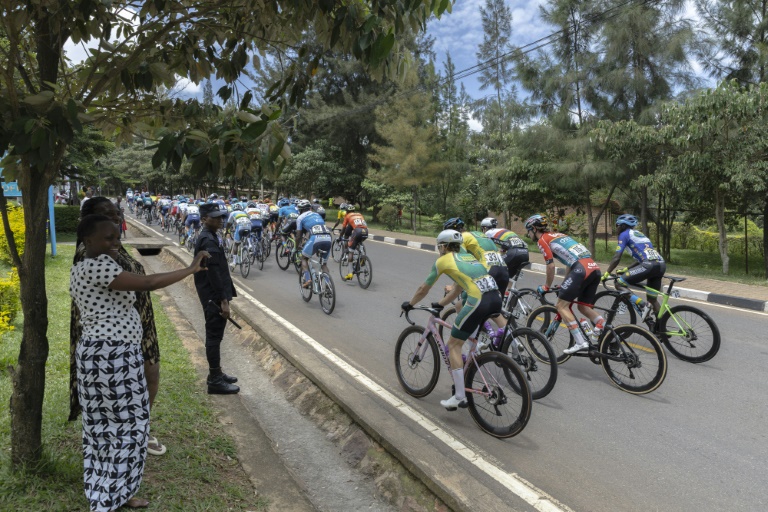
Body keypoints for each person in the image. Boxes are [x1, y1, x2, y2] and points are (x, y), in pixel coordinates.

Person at [71, 213, 208, 512]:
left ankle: (117, 493)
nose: (115, 241)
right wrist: (189, 269)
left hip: (109, 355)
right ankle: (109, 498)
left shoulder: (86, 266)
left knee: (107, 428)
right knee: (128, 427)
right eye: (108, 237)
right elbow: (149, 282)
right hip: (111, 358)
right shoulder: (98, 266)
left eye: (117, 235)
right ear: (88, 240)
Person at [69, 197, 168, 459]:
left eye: (116, 215)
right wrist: (191, 269)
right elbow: (145, 283)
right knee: (125, 389)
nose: (114, 220)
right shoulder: (90, 254)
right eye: (106, 215)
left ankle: (137, 431)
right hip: (112, 335)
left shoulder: (112, 246)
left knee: (150, 375)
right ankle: (128, 437)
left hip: (137, 323)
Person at [402, 229, 502, 410]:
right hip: (495, 299)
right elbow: (457, 288)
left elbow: (423, 288)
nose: (439, 249)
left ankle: (459, 396)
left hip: (478, 301)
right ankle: (472, 360)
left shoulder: (443, 261)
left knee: (453, 345)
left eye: (439, 246)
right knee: (468, 338)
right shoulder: (467, 257)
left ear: (445, 246)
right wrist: (441, 303)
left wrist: (410, 304)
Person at [525, 214, 603, 354]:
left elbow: (550, 266)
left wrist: (546, 286)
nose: (528, 233)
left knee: (561, 306)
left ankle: (580, 342)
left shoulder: (542, 240)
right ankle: (601, 323)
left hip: (580, 270)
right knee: (582, 307)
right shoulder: (559, 235)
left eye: (529, 230)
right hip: (594, 268)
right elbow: (570, 262)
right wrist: (566, 282)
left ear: (535, 229)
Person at [194, 202, 240, 394]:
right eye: (215, 217)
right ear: (204, 219)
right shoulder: (209, 240)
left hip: (214, 294)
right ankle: (214, 379)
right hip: (214, 296)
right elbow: (214, 273)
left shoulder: (211, 235)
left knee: (216, 335)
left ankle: (217, 372)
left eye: (221, 216)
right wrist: (223, 301)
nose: (220, 220)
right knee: (214, 336)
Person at [602, 214, 666, 321]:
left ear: (622, 226)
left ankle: (642, 304)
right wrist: (627, 269)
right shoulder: (639, 234)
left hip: (648, 265)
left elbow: (617, 257)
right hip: (660, 265)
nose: (616, 228)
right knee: (652, 299)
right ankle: (660, 328)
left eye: (617, 225)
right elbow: (642, 257)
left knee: (618, 284)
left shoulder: (624, 234)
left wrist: (607, 273)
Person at [482, 217, 530, 291]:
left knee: (495, 272)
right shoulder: (502, 231)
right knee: (507, 277)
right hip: (525, 253)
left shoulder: (488, 233)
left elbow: (486, 251)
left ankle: (496, 294)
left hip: (514, 252)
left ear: (485, 228)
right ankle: (513, 296)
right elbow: (502, 251)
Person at [295, 199, 332, 288]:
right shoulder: (317, 214)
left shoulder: (300, 218)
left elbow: (299, 235)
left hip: (316, 238)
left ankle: (308, 280)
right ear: (310, 208)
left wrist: (296, 247)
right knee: (323, 264)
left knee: (304, 258)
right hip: (328, 238)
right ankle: (328, 285)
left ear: (300, 210)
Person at [340, 204, 368, 281]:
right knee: (358, 242)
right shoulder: (359, 214)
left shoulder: (347, 216)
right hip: (365, 231)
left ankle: (350, 273)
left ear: (347, 211)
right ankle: (362, 257)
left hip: (357, 231)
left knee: (351, 251)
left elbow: (344, 228)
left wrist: (340, 237)